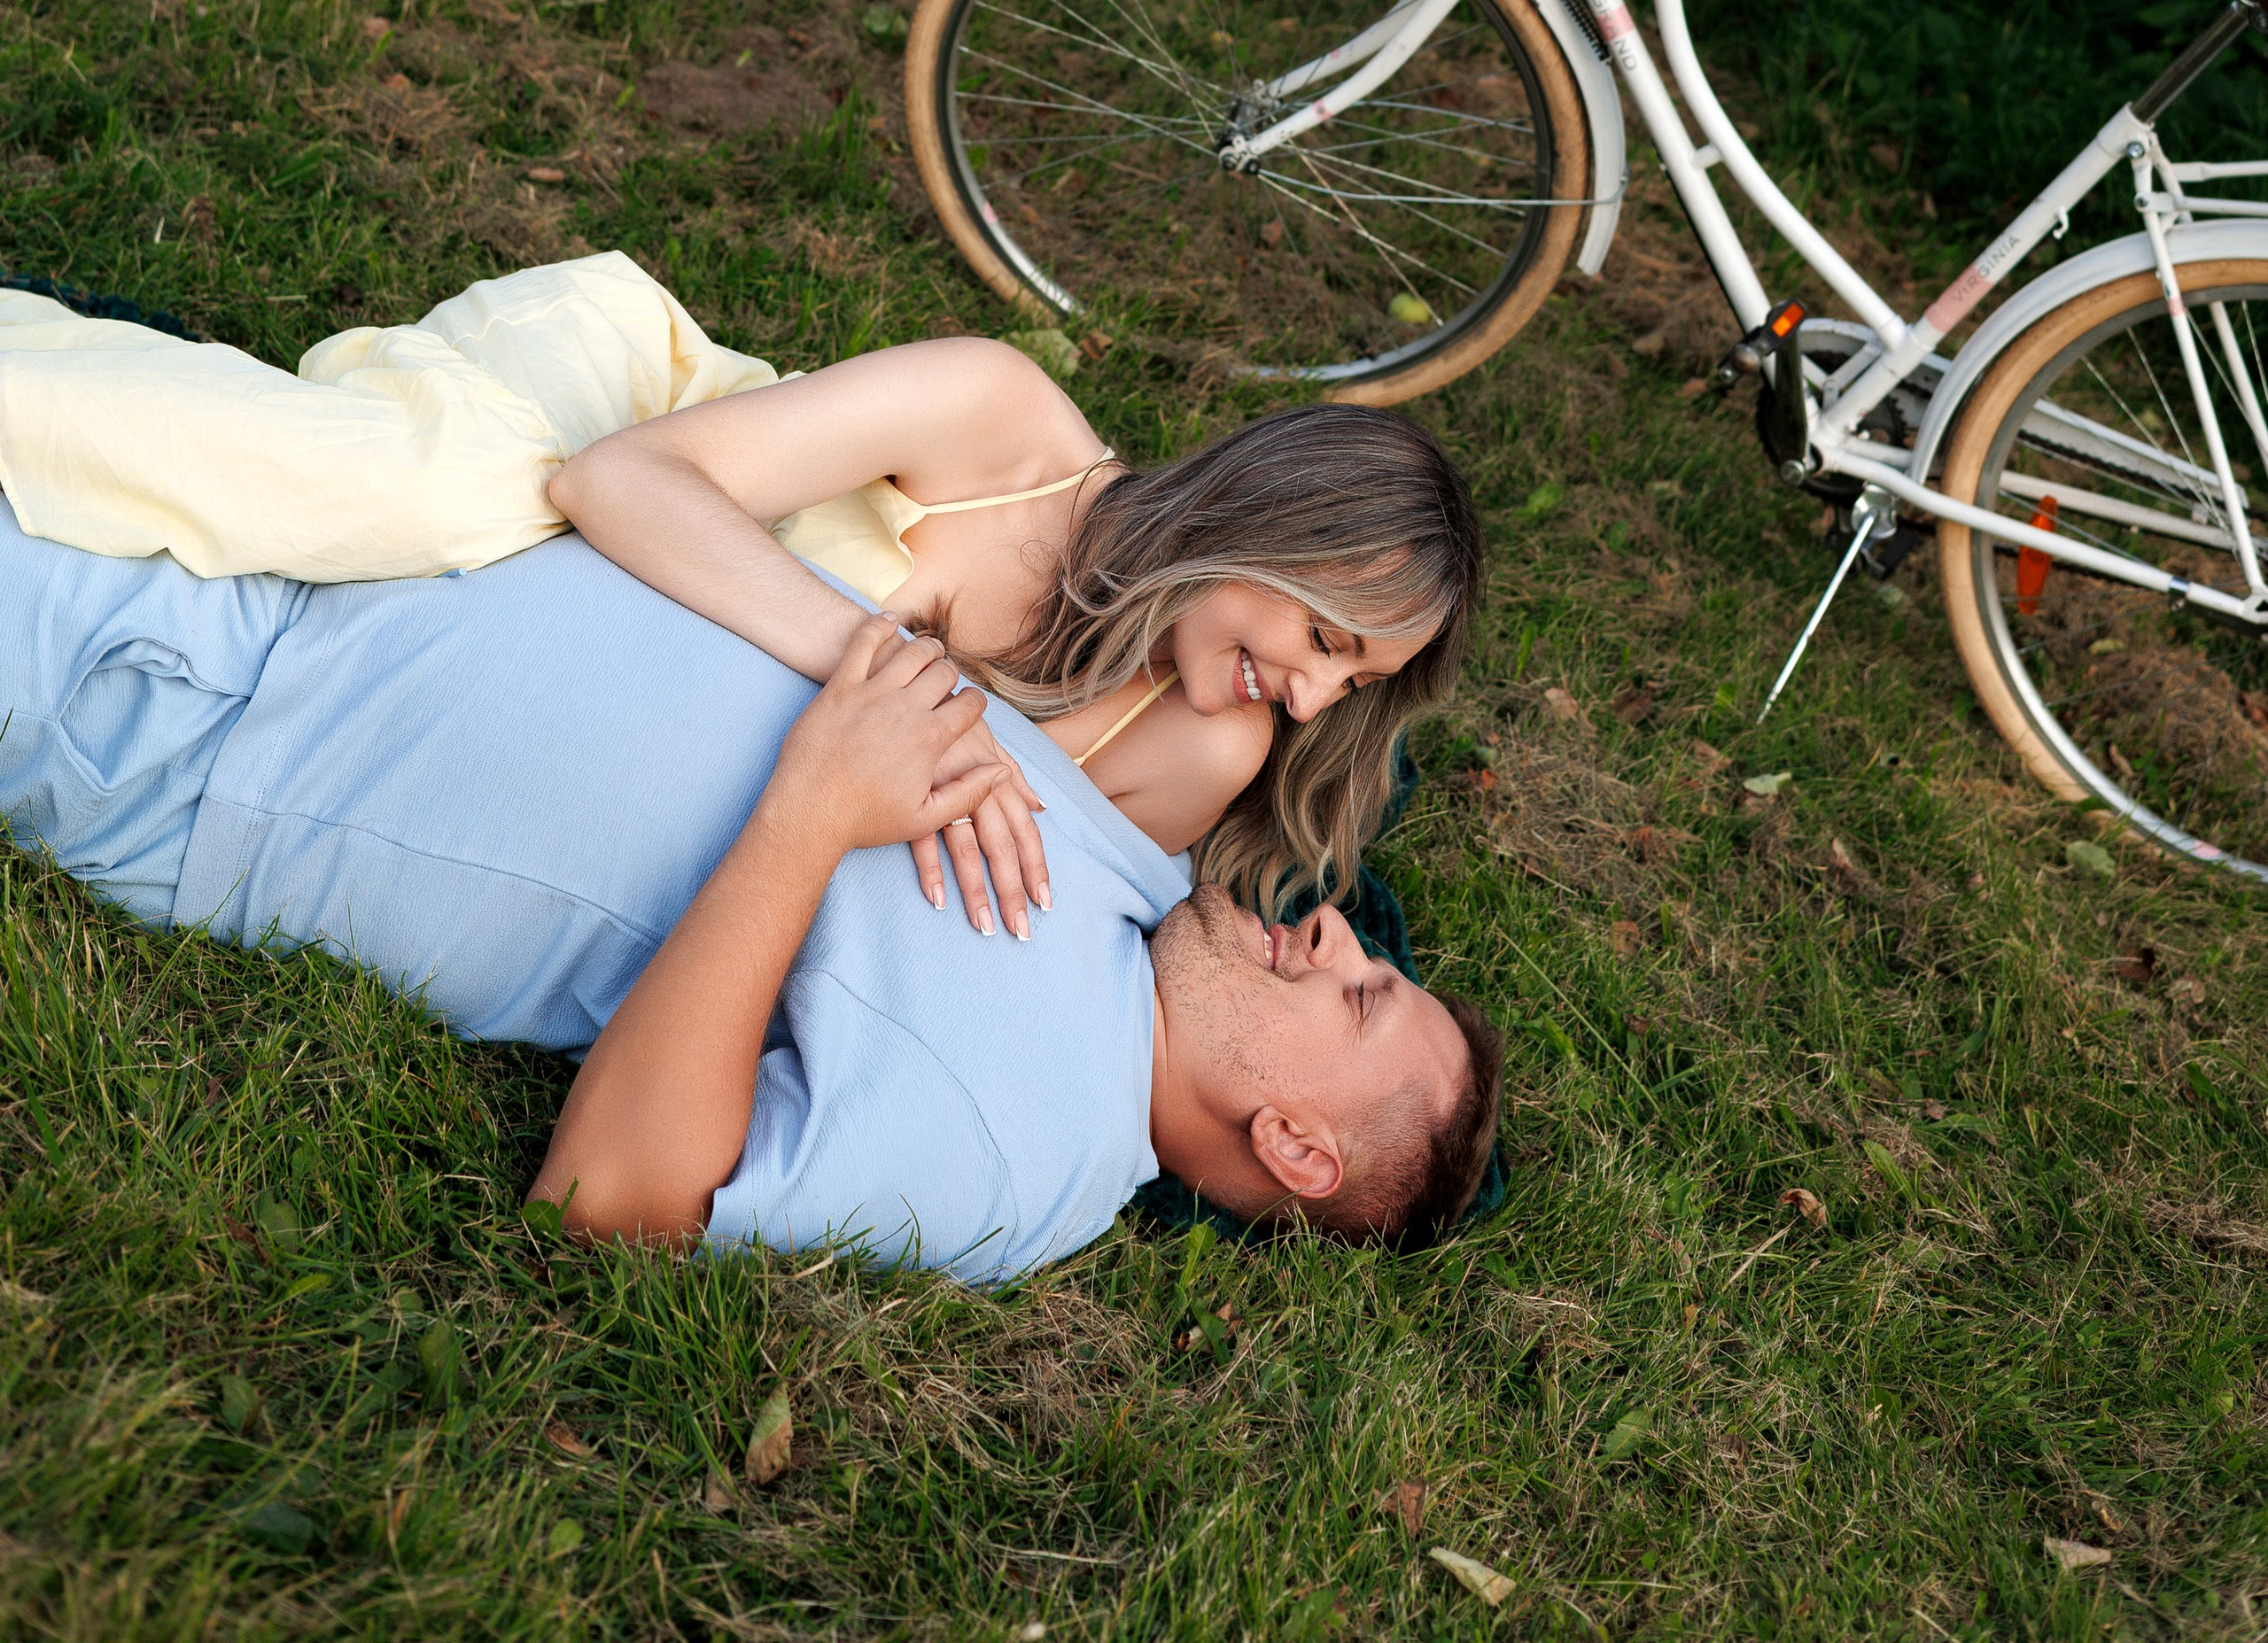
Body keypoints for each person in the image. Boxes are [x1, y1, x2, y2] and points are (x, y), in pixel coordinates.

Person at [0, 502, 1506, 1275]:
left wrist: (808, 818)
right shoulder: (1136, 881)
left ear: (1297, 1144)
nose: (1332, 933)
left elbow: (614, 1204)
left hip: (208, 716)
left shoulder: (1019, 1154)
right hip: (339, 535)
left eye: (1364, 991)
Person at [0, 254, 1481, 941]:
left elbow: (950, 893)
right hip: (608, 435)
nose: (1309, 699)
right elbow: (618, 483)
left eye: (1352, 688)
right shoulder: (1000, 418)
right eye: (1323, 641)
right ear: (1263, 530)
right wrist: (886, 674)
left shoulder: (1197, 747)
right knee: (435, 500)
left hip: (631, 617)